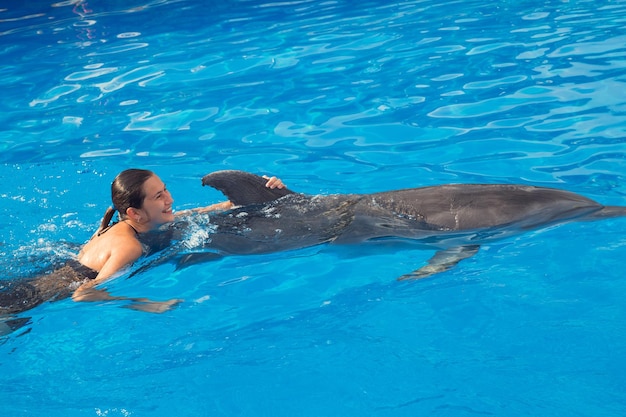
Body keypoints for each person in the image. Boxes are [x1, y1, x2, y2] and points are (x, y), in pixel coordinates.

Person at [0, 169, 284, 318]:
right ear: (135, 212)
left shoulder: (138, 223)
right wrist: (147, 304)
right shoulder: (129, 246)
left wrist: (263, 191)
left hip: (39, 278)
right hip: (24, 303)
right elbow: (84, 294)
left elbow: (198, 212)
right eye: (158, 196)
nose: (169, 199)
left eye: (165, 190)